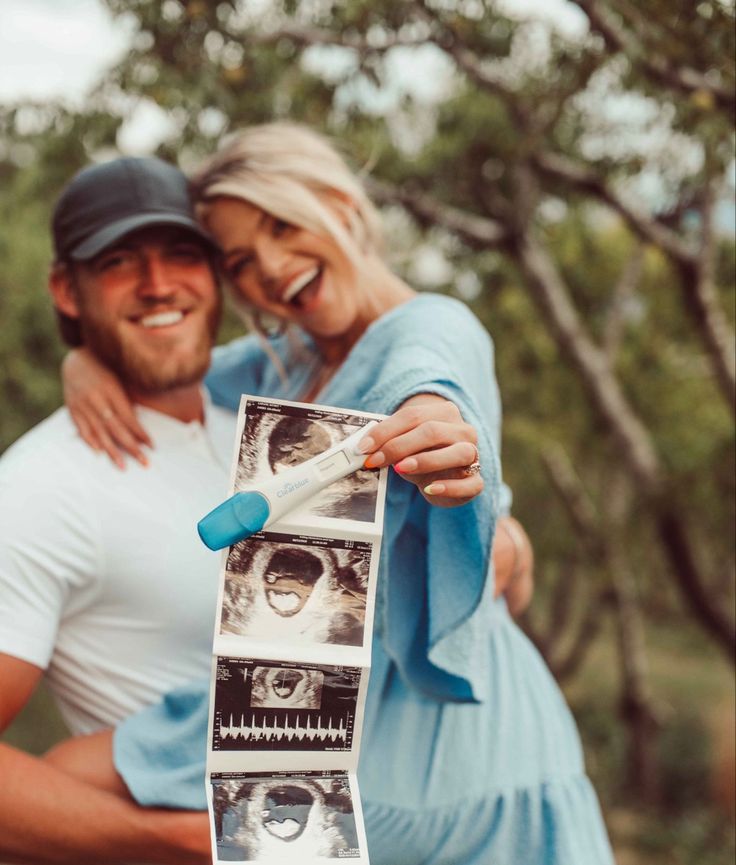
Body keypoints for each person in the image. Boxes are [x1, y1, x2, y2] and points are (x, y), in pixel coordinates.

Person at [55, 124, 612, 865]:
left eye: (283, 226)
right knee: (52, 799)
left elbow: (437, 391)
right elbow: (171, 362)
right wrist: (86, 362)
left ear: (341, 203)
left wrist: (446, 449)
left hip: (445, 747)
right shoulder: (289, 358)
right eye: (243, 261)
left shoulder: (432, 325)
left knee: (59, 801)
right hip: (300, 705)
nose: (272, 270)